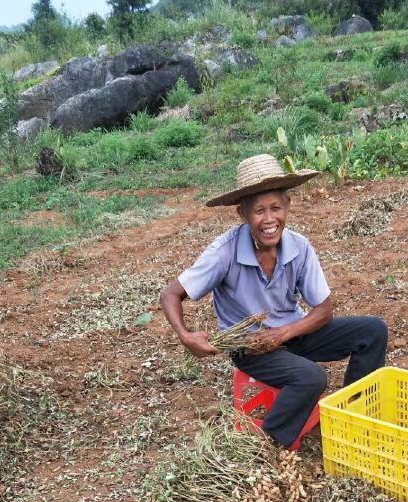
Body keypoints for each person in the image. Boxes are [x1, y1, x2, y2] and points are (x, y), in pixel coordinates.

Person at [160, 154, 388, 448]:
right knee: (311, 378)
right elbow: (171, 294)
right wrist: (185, 335)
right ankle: (268, 445)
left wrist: (284, 333)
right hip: (252, 348)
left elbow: (324, 310)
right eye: (258, 211)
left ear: (288, 207)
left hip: (292, 334)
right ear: (242, 215)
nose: (269, 220)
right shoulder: (224, 252)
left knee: (372, 331)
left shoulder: (299, 247)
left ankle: (356, 416)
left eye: (276, 208)